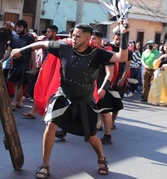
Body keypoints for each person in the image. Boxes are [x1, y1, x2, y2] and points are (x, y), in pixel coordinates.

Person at [11, 22, 130, 178]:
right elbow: (42, 44)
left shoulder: (98, 53)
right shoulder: (64, 47)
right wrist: (22, 50)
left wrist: (124, 34)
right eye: (73, 35)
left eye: (78, 36)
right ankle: (45, 164)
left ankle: (101, 157)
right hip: (63, 96)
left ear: (88, 38)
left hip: (84, 101)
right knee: (51, 124)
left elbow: (122, 57)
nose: (74, 38)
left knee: (91, 137)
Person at [23, 25, 58, 119]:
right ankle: (33, 111)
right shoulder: (45, 42)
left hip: (53, 71)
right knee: (37, 88)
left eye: (49, 32)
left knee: (50, 92)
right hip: (43, 68)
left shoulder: (57, 44)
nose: (47, 33)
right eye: (47, 31)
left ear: (54, 33)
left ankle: (47, 112)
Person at [1, 19, 36, 110]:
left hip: (24, 64)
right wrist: (2, 60)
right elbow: (9, 51)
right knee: (14, 83)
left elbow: (33, 53)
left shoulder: (30, 38)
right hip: (14, 64)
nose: (18, 29)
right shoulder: (14, 37)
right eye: (17, 27)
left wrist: (34, 67)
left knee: (20, 84)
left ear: (25, 28)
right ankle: (20, 101)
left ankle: (13, 102)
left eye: (20, 27)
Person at [91, 30, 115, 145]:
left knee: (104, 112)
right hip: (88, 86)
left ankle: (107, 135)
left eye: (94, 38)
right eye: (90, 38)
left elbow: (110, 73)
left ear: (101, 40)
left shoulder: (106, 54)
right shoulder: (88, 52)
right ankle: (64, 131)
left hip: (101, 87)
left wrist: (103, 88)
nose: (91, 40)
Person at [108, 31, 132, 130]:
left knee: (117, 101)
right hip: (108, 77)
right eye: (117, 39)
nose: (118, 41)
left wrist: (122, 79)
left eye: (120, 40)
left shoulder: (127, 51)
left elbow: (127, 67)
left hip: (119, 78)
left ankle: (112, 121)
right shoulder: (108, 48)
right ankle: (102, 122)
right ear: (113, 37)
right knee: (104, 100)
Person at [148, 41, 167, 106]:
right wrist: (161, 57)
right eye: (165, 46)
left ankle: (165, 101)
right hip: (160, 73)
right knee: (158, 87)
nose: (166, 48)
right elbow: (155, 65)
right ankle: (156, 100)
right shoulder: (160, 55)